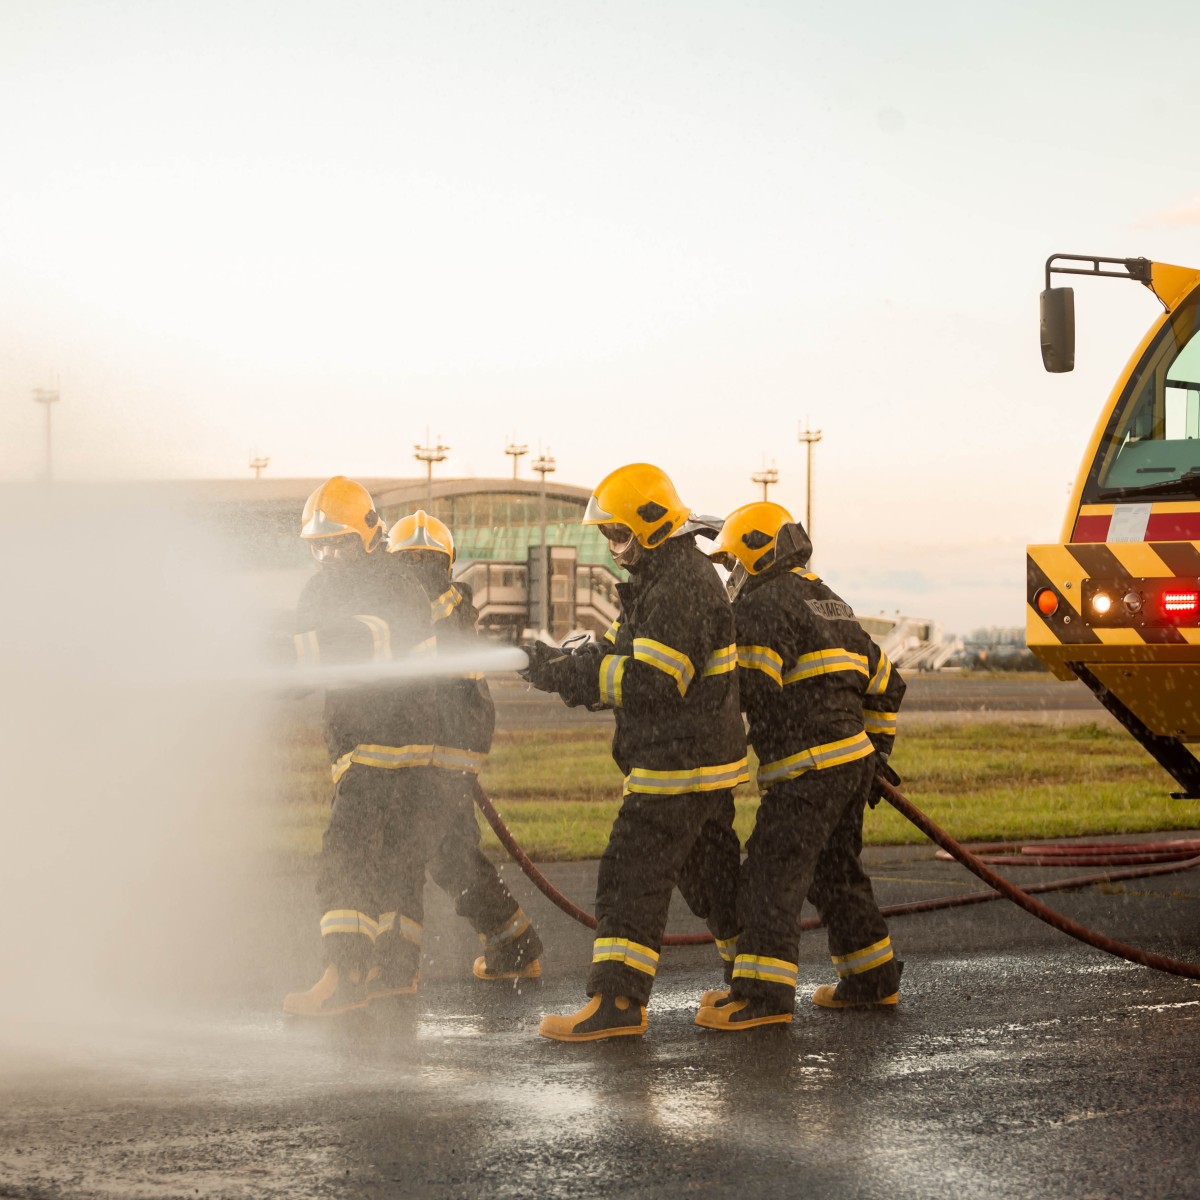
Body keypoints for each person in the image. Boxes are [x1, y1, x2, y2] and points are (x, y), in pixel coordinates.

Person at [521, 463, 747, 1042]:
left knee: (630, 877)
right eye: (608, 537)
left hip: (677, 765)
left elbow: (652, 680)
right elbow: (621, 651)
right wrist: (562, 662)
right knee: (713, 880)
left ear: (653, 526)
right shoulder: (664, 576)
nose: (615, 549)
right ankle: (755, 981)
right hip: (697, 759)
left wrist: (572, 677)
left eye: (620, 535)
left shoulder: (678, 584)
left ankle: (617, 1003)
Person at [694, 501, 906, 1031]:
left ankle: (762, 998)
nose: (730, 576)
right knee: (837, 873)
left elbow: (751, 689)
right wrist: (876, 754)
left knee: (770, 876)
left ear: (757, 552)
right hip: (850, 765)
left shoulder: (762, 605)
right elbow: (886, 683)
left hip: (807, 771)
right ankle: (871, 979)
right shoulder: (832, 603)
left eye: (731, 563)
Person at [282, 477, 451, 1017]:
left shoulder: (394, 584)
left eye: (339, 544)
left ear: (369, 536)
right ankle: (394, 972)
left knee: (348, 855)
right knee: (395, 861)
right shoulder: (321, 591)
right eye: (319, 547)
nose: (329, 557)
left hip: (386, 745)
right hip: (375, 745)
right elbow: (302, 666)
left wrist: (282, 657)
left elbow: (365, 639)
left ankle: (346, 976)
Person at [386, 510, 542, 980]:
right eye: (411, 561)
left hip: (440, 745)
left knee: (405, 848)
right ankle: (512, 945)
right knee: (450, 853)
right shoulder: (452, 600)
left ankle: (393, 970)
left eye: (420, 561)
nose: (417, 569)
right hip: (451, 744)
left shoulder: (425, 602)